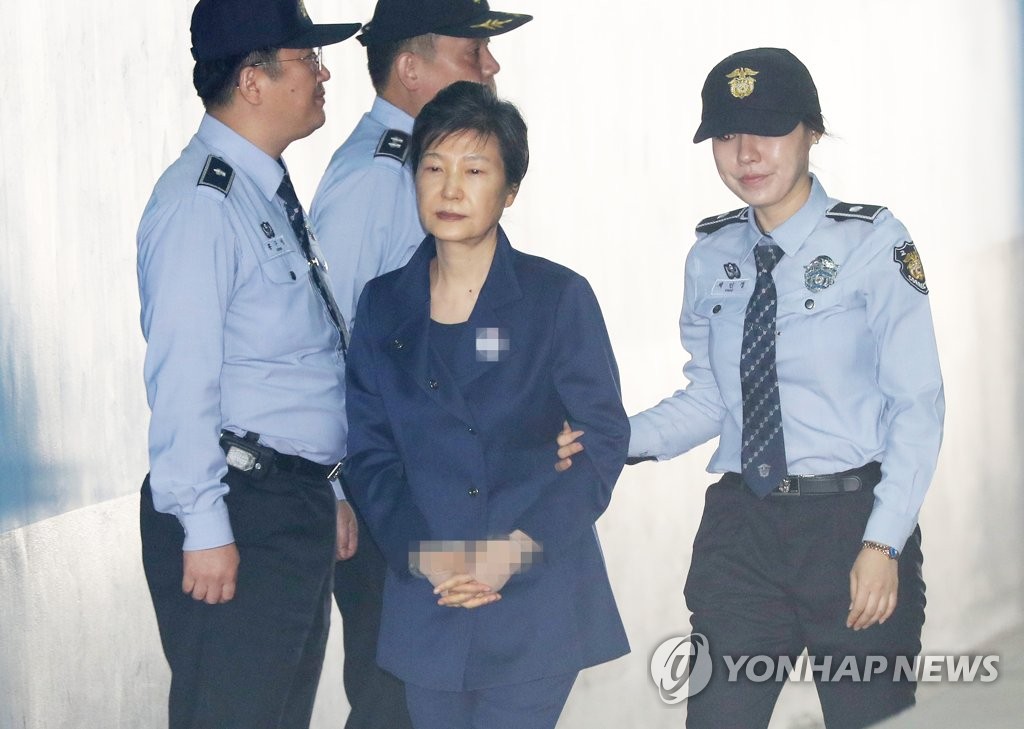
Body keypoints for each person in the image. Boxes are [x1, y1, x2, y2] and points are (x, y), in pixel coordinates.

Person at [589, 48, 943, 728]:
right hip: (742, 529)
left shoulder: (873, 242)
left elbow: (917, 405)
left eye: (770, 129)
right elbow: (712, 398)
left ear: (812, 131)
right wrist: (610, 438)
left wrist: (883, 542)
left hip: (850, 522)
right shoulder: (711, 254)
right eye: (725, 134)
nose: (746, 153)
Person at [342, 81, 630, 729]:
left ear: (510, 190)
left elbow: (602, 442)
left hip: (534, 595)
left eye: (474, 171)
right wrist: (426, 554)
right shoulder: (383, 304)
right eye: (433, 168)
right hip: (431, 595)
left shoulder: (556, 297)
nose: (450, 189)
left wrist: (511, 553)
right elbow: (370, 454)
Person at [136, 1, 361, 727]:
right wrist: (204, 525)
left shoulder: (262, 193)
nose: (323, 74)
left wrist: (328, 487)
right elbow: (182, 376)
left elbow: (294, 364)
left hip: (285, 505)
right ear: (252, 81)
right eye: (307, 59)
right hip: (239, 511)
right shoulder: (202, 205)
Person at [309, 3, 531, 726]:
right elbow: (330, 343)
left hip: (437, 492)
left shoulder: (420, 166)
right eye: (471, 53)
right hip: (391, 501)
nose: (491, 66)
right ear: (410, 68)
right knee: (396, 700)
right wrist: (337, 487)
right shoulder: (377, 179)